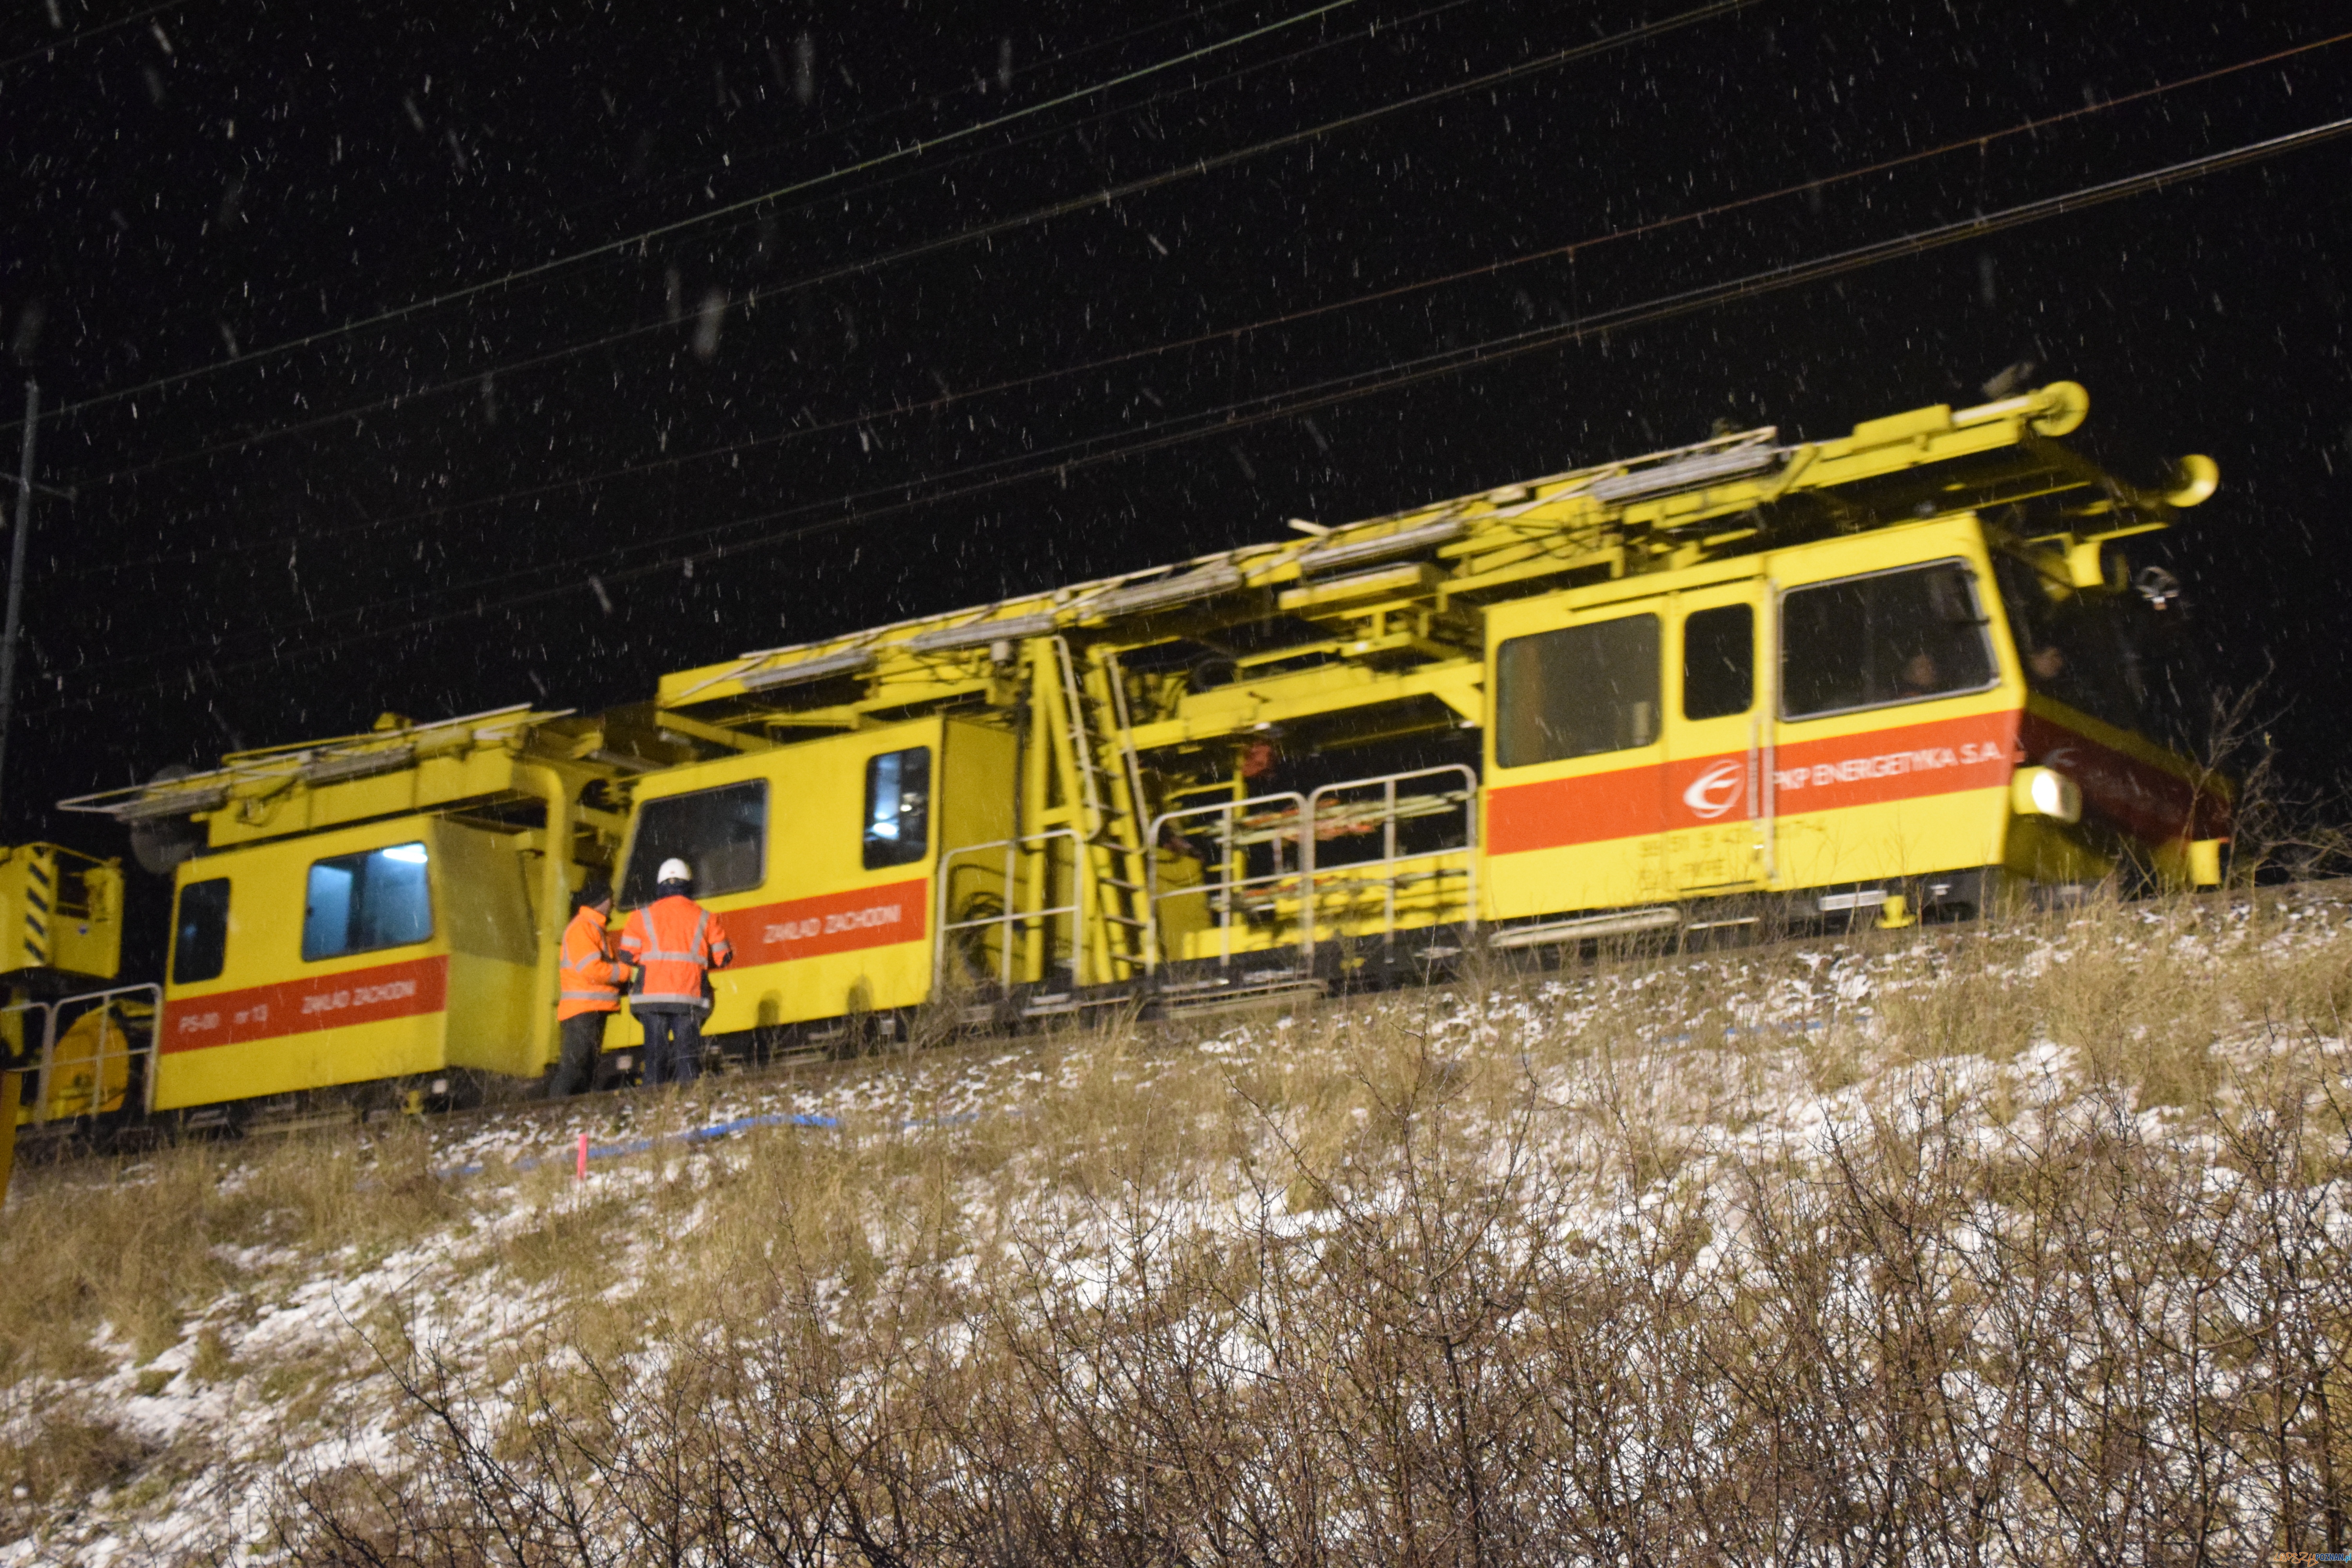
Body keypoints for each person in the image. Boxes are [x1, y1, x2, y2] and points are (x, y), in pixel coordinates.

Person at [619, 857, 735, 1087]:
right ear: (688, 884)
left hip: (651, 998)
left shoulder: (640, 917)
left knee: (654, 1056)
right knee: (687, 1057)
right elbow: (724, 958)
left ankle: (652, 1109)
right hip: (688, 996)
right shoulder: (706, 917)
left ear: (661, 885)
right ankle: (690, 1107)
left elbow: (627, 956)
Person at [550, 875, 632, 1097]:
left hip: (589, 1009)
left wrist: (622, 986)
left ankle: (570, 1115)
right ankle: (555, 1114)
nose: (614, 904)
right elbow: (592, 970)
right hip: (583, 1010)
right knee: (574, 1071)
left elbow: (598, 970)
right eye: (611, 899)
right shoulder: (583, 929)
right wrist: (625, 973)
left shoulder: (593, 928)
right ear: (603, 901)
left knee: (584, 1071)